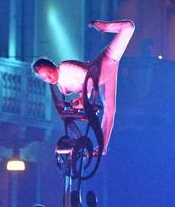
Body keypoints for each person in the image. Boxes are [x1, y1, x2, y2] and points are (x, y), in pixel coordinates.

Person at [32, 20, 136, 155]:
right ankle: (102, 148)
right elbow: (83, 88)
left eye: (50, 73)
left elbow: (89, 78)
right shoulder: (62, 88)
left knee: (128, 26)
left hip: (108, 59)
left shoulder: (65, 67)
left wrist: (82, 99)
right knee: (110, 110)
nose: (49, 79)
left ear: (53, 67)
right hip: (106, 77)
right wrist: (73, 104)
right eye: (45, 78)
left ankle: (103, 27)